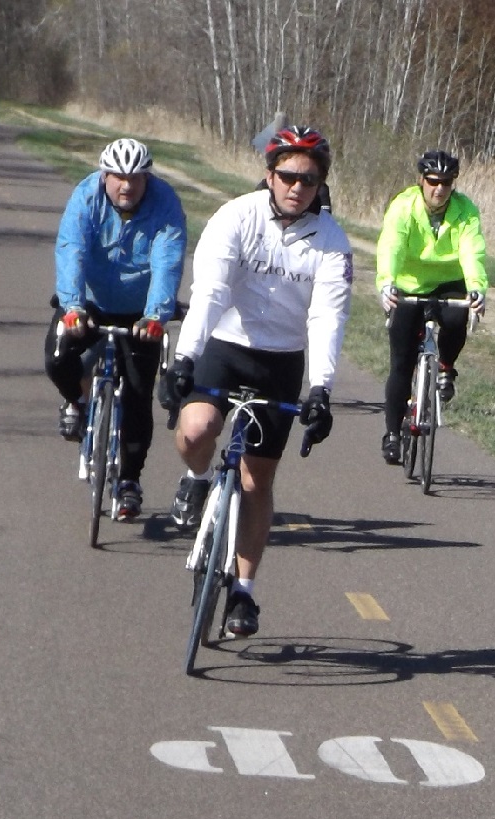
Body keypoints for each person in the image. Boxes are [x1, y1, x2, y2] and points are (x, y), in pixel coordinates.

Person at [163, 125, 352, 637]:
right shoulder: (236, 217)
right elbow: (210, 291)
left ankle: (243, 590)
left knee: (256, 481)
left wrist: (321, 390)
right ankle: (197, 479)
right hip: (225, 347)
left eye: (309, 180)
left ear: (320, 185)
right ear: (269, 176)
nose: (297, 187)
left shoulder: (331, 241)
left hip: (280, 362)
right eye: (288, 176)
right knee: (199, 429)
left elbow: (327, 319)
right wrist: (185, 358)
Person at [44, 138, 188, 521]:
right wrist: (73, 305)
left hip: (140, 312)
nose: (127, 186)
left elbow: (167, 259)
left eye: (136, 178)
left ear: (147, 178)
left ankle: (129, 481)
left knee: (140, 394)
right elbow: (71, 247)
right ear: (105, 176)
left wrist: (156, 315)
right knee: (57, 357)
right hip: (87, 301)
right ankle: (75, 399)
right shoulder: (85, 197)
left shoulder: (165, 203)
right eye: (118, 177)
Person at [375, 149, 488, 464]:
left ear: (454, 184)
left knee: (456, 316)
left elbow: (472, 251)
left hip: (449, 280)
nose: (439, 189)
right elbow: (391, 245)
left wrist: (477, 288)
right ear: (421, 181)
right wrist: (387, 282)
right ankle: (393, 434)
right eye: (433, 181)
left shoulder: (466, 211)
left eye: (447, 183)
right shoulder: (403, 207)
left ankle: (445, 368)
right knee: (401, 363)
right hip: (410, 283)